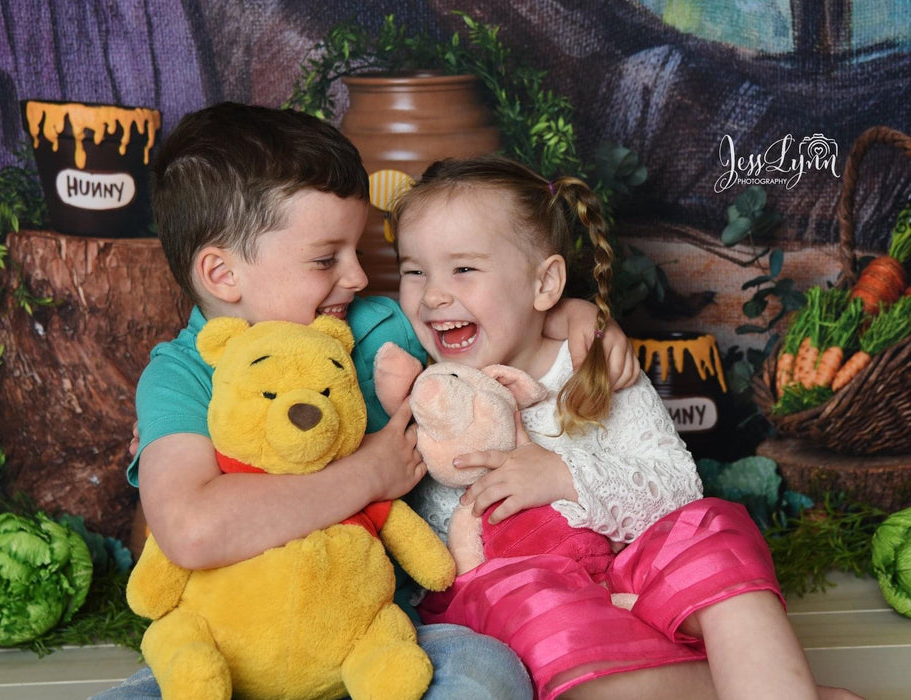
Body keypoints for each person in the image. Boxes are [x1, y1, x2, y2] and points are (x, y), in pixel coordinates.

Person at [91, 102, 641, 700]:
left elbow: (484, 320)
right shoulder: (180, 376)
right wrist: (370, 474)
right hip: (225, 650)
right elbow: (192, 530)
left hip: (379, 636)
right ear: (222, 274)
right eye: (326, 258)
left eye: (356, 250)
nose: (357, 277)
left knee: (488, 672)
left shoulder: (377, 326)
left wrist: (572, 314)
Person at [389, 154, 863, 700]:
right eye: (413, 271)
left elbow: (677, 491)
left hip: (642, 587)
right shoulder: (417, 387)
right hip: (549, 619)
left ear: (545, 284)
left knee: (713, 534)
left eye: (464, 270)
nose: (432, 295)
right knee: (530, 610)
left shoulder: (593, 367)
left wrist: (563, 476)